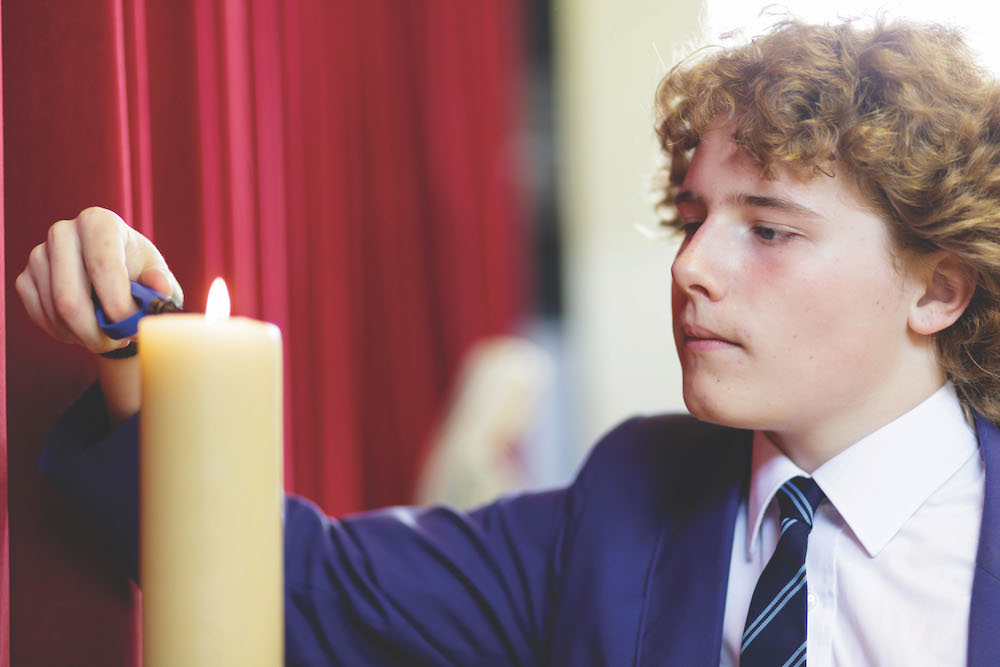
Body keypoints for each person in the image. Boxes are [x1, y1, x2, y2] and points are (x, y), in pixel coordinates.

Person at [16, 16, 1000, 666]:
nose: (691, 267)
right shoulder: (628, 499)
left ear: (937, 287)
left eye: (769, 229)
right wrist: (135, 357)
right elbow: (297, 588)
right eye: (692, 218)